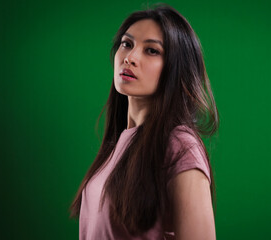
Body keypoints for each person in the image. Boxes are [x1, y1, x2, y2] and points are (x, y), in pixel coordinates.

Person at [70, 4, 219, 239]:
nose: (130, 58)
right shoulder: (120, 144)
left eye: (151, 50)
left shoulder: (180, 144)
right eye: (126, 44)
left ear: (175, 68)